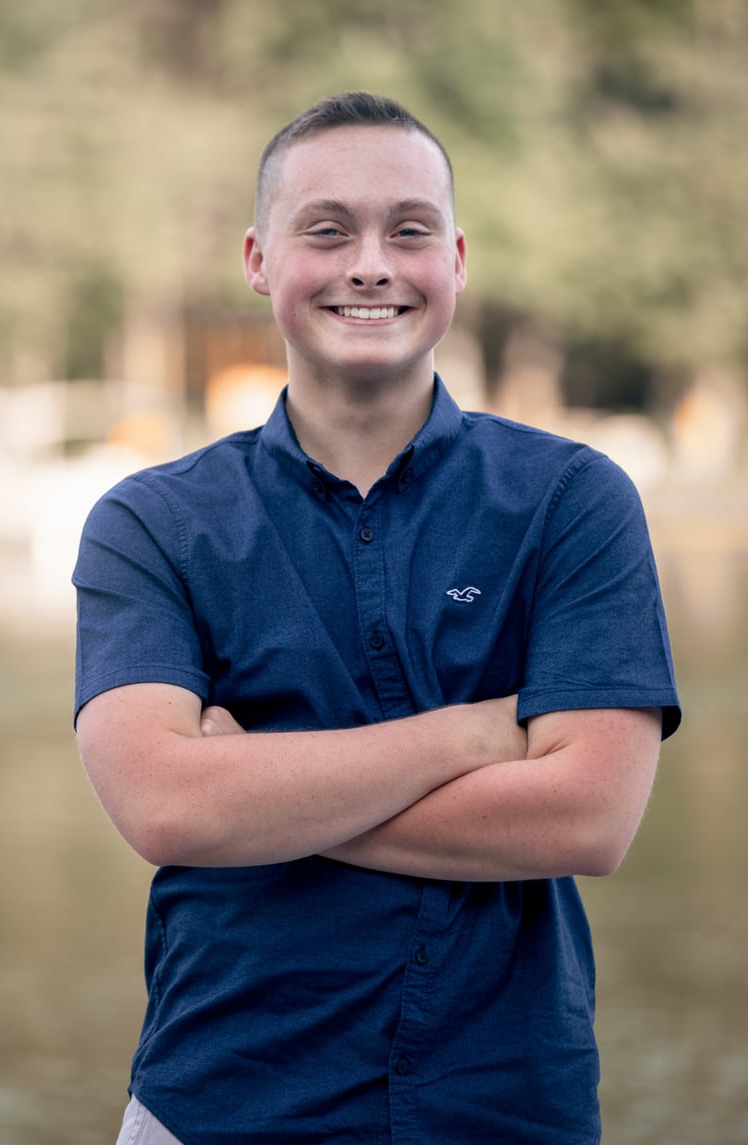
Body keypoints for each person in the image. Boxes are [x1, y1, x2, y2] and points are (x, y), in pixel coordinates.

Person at [73, 91, 681, 1145]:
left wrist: (257, 787)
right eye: (328, 230)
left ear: (455, 256)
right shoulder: (152, 523)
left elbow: (588, 818)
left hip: (504, 1104)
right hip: (223, 1101)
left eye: (407, 230)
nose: (370, 263)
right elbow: (166, 806)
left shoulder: (573, 500)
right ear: (260, 259)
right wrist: (479, 734)